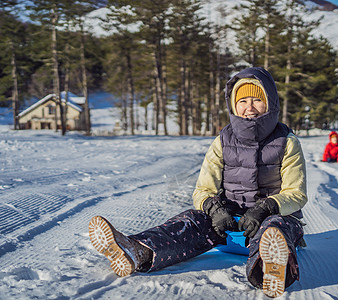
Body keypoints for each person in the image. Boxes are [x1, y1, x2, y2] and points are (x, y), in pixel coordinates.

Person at [88, 67, 308, 298]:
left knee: (276, 227)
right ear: (233, 105)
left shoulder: (287, 142)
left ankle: (271, 269)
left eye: (256, 100)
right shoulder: (222, 142)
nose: (249, 107)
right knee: (191, 220)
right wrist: (215, 210)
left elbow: (296, 193)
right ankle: (138, 251)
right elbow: (203, 190)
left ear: (270, 103)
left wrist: (265, 208)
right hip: (230, 226)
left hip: (269, 219)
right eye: (242, 100)